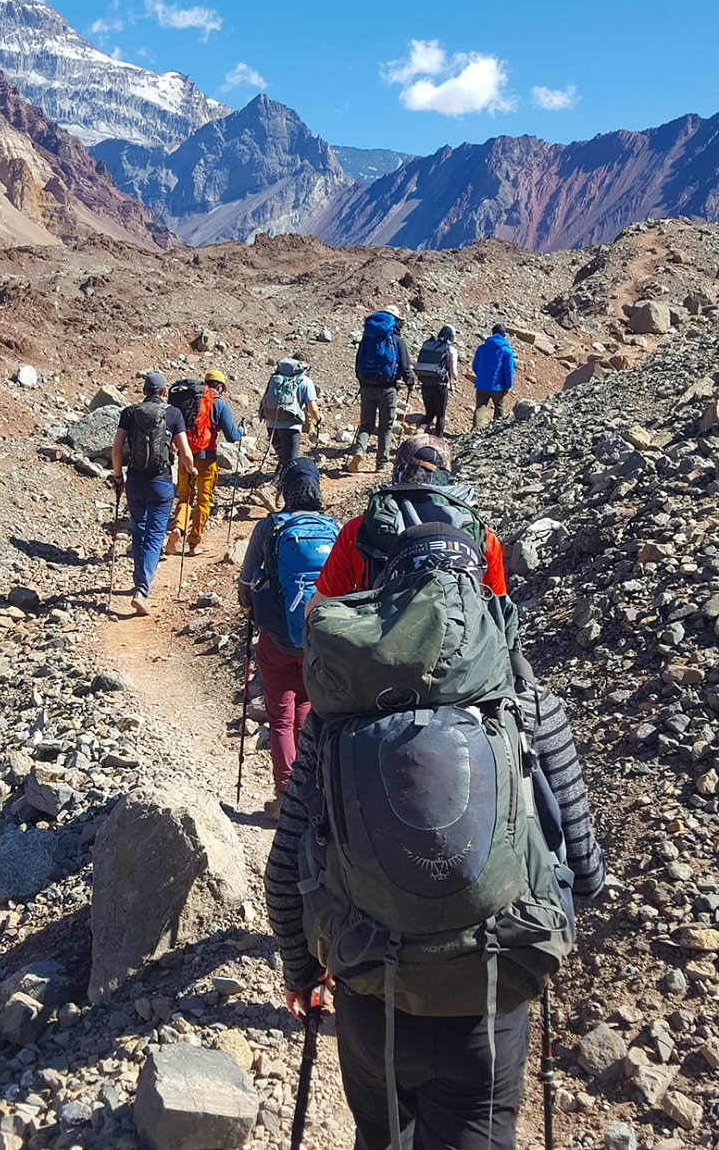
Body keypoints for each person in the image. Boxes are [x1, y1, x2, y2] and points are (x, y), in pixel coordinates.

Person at [265, 535, 605, 1150]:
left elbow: (284, 866)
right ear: (482, 591)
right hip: (490, 995)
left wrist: (302, 970)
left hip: (371, 992)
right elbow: (584, 872)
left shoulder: (336, 716)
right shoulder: (528, 705)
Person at [236, 459, 338, 821]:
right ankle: (309, 793)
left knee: (280, 719)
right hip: (320, 640)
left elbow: (247, 581)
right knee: (306, 713)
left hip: (277, 641)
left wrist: (248, 606)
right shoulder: (334, 528)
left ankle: (285, 797)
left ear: (285, 490)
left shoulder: (270, 527)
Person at [308, 432, 507, 609]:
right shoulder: (480, 535)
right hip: (459, 644)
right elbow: (498, 609)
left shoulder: (359, 529)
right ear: (446, 477)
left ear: (398, 473)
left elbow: (319, 606)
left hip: (381, 644)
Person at [111, 371, 196, 616]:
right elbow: (186, 454)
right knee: (155, 535)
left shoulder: (129, 412)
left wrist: (118, 478)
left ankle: (139, 580)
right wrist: (190, 474)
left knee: (139, 530)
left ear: (144, 391)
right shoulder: (173, 414)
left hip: (135, 481)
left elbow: (116, 451)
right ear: (164, 392)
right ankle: (142, 589)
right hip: (161, 483)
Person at [166, 370, 244, 557]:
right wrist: (242, 431)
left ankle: (178, 527)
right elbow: (232, 436)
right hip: (206, 458)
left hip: (185, 457)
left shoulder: (189, 400)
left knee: (185, 496)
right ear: (219, 387)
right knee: (203, 499)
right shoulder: (219, 404)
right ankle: (194, 543)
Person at [348, 306, 414, 474]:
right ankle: (382, 463)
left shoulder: (367, 338)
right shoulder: (396, 340)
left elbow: (358, 364)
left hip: (367, 387)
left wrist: (363, 383)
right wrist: (410, 381)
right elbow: (405, 366)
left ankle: (359, 451)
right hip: (387, 388)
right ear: (395, 321)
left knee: (366, 424)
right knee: (386, 427)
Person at [259, 352, 320, 491]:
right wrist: (319, 419)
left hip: (271, 424)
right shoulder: (305, 381)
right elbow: (312, 409)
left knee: (283, 459)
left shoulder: (277, 378)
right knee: (289, 463)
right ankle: (272, 490)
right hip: (291, 427)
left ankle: (276, 491)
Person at [414, 323, 458, 438]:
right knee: (440, 415)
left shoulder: (429, 345)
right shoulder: (450, 349)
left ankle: (419, 431)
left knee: (429, 413)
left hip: (425, 383)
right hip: (440, 385)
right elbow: (454, 373)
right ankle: (438, 441)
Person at [472, 324, 515, 428]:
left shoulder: (482, 348)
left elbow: (474, 366)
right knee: (499, 407)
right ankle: (496, 429)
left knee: (480, 407)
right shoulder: (507, 351)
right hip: (498, 386)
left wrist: (482, 376)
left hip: (482, 384)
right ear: (504, 335)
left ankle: (476, 429)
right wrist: (508, 385)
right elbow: (508, 371)